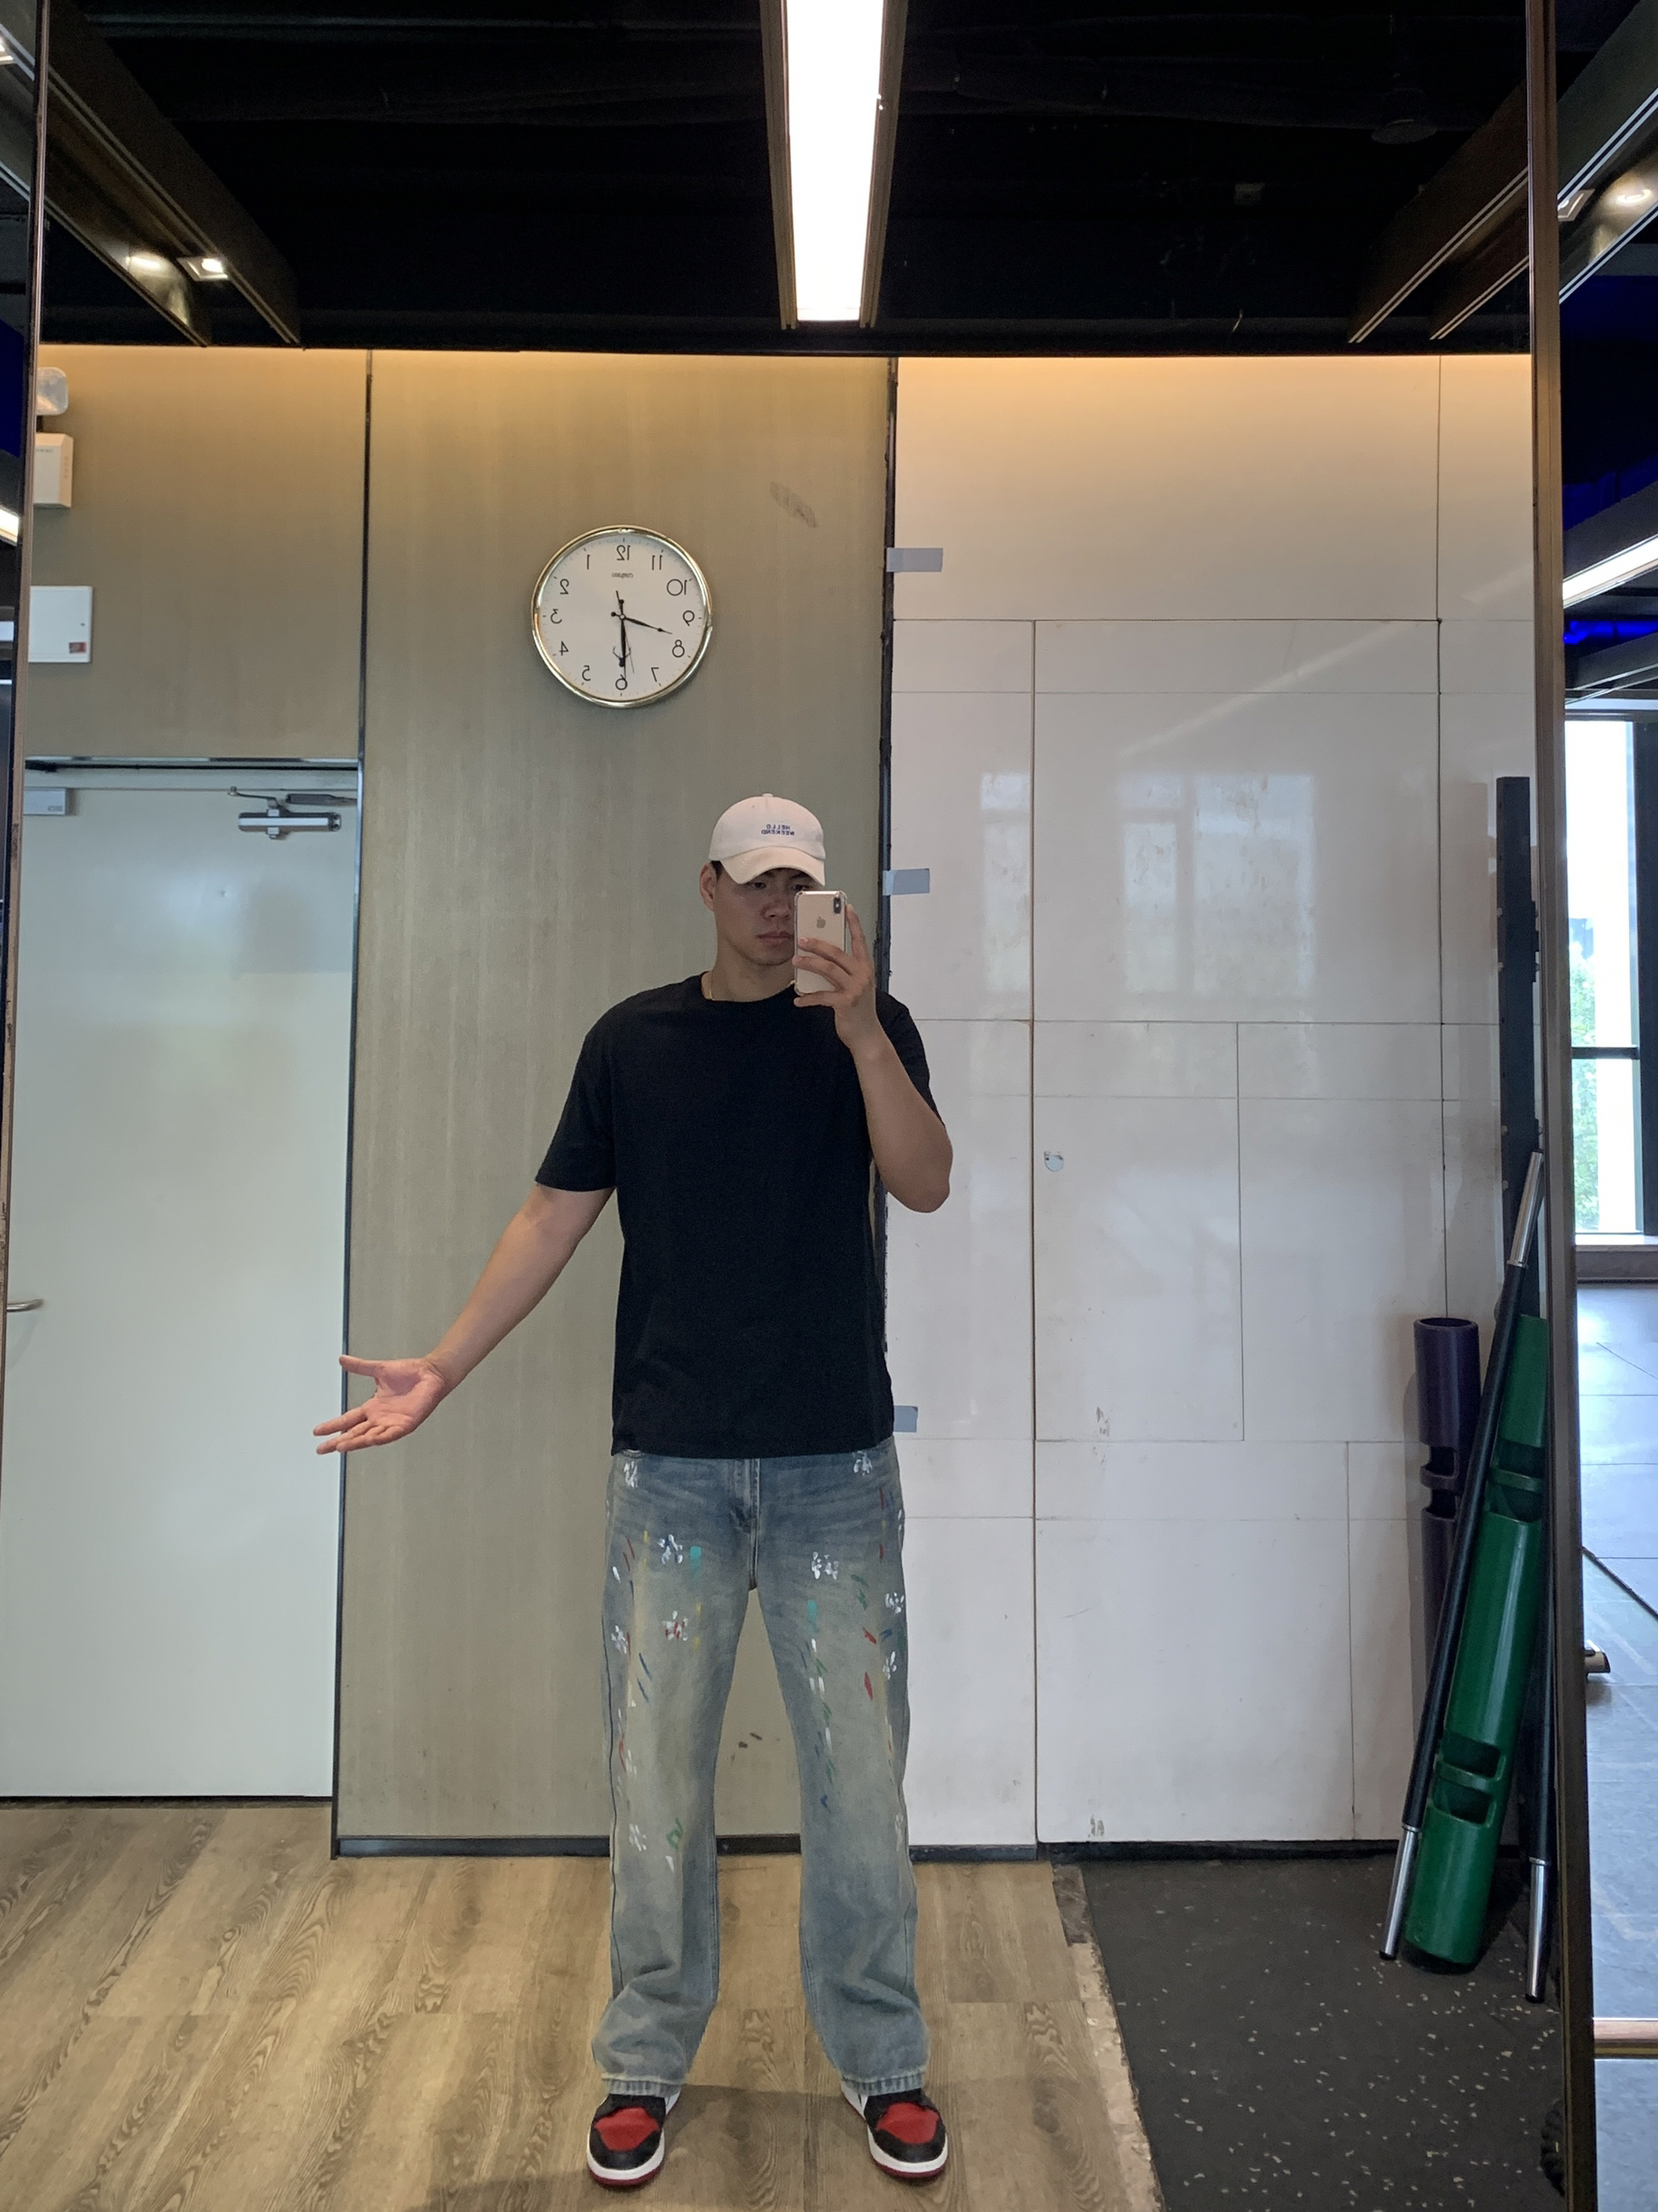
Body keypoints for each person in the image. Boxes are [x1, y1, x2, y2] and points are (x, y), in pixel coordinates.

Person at [315, 793, 953, 2190]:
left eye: (800, 886)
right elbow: (552, 1213)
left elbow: (924, 1184)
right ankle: (646, 2059)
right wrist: (443, 1366)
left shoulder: (868, 1028)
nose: (779, 908)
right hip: (669, 1469)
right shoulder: (631, 1042)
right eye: (757, 883)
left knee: (860, 1782)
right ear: (708, 888)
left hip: (834, 1469)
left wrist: (858, 1033)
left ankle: (884, 2058)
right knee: (655, 1780)